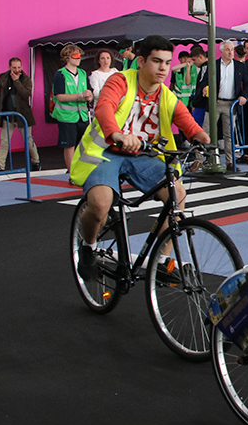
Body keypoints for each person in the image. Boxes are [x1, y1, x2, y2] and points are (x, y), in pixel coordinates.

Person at [72, 35, 210, 280]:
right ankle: (88, 247)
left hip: (141, 156)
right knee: (101, 205)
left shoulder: (165, 94)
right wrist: (116, 133)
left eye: (167, 63)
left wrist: (201, 136)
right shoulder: (121, 81)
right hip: (105, 153)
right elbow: (104, 106)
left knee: (177, 195)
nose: (163, 68)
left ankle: (162, 261)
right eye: (157, 61)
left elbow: (185, 118)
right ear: (141, 61)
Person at [195, 40, 248, 171]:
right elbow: (204, 81)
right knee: (205, 130)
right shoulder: (213, 65)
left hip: (231, 103)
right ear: (221, 51)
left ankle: (230, 162)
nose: (230, 52)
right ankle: (199, 159)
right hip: (215, 102)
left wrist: (244, 96)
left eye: (232, 49)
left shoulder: (240, 66)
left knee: (229, 134)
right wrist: (204, 88)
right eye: (227, 49)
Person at [0, 57, 39, 171]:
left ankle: (36, 161)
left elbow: (26, 94)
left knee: (29, 141)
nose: (17, 70)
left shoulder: (26, 79)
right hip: (7, 117)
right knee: (4, 142)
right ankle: (0, 166)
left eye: (18, 67)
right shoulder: (3, 80)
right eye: (14, 68)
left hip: (22, 116)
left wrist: (16, 81)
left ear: (21, 67)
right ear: (9, 68)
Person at [52, 44, 93, 174]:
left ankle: (80, 169)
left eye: (79, 55)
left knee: (83, 145)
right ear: (67, 57)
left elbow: (90, 90)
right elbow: (59, 96)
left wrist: (89, 96)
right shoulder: (60, 75)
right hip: (67, 116)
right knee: (69, 145)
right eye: (75, 55)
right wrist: (80, 95)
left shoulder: (82, 73)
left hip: (82, 115)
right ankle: (72, 172)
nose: (78, 58)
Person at [187, 45, 208, 127]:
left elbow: (202, 84)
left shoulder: (205, 67)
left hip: (202, 104)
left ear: (200, 57)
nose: (194, 63)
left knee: (194, 126)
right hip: (202, 103)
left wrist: (196, 102)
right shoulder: (204, 67)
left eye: (194, 60)